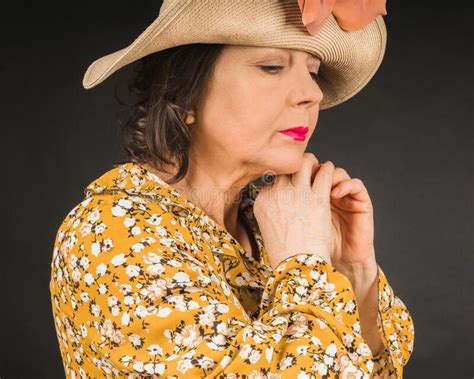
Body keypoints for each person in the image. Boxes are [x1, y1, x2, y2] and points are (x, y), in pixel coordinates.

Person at [49, 1, 414, 377]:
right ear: (183, 93)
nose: (312, 94)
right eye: (271, 66)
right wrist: (304, 263)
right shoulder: (113, 235)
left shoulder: (276, 223)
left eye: (313, 72)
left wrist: (354, 273)